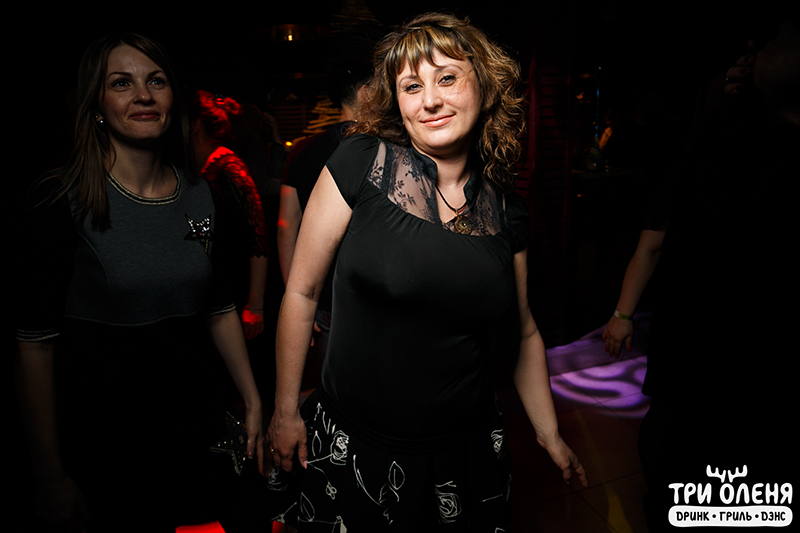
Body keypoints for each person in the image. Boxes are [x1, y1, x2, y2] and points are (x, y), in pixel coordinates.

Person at [266, 13, 587, 531]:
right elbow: (302, 292)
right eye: (412, 86)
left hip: (465, 452)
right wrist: (285, 410)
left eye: (447, 78)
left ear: (484, 85)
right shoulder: (361, 162)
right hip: (357, 446)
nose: (430, 100)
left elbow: (523, 331)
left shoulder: (507, 208)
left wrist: (549, 433)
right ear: (397, 101)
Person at [13, 33, 266, 533]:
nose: (144, 95)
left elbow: (217, 307)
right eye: (121, 83)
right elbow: (34, 347)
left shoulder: (200, 195)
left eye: (156, 81)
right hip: (112, 440)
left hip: (196, 421)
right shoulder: (62, 201)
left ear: (173, 98)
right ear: (96, 105)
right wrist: (48, 474)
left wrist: (253, 400)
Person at [277, 58, 371, 390]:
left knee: (336, 390)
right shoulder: (382, 149)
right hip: (372, 299)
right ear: (366, 92)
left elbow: (286, 226)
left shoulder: (303, 150)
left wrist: (297, 299)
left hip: (326, 300)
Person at [189, 90, 270, 344]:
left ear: (194, 125)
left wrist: (255, 305)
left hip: (237, 292)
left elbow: (258, 236)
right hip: (218, 293)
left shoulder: (230, 168)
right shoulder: (203, 168)